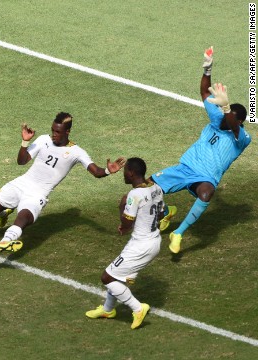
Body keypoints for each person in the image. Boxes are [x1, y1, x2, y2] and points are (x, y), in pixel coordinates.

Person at [0, 112, 125, 253]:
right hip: (21, 184)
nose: (54, 134)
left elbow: (96, 172)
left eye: (58, 132)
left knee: (22, 218)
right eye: (53, 130)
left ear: (67, 132)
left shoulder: (77, 152)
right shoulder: (44, 140)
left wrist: (107, 170)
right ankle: (4, 213)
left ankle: (6, 241)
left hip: (38, 194)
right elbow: (21, 161)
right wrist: (25, 141)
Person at [152, 47, 252, 254]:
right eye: (225, 113)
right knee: (149, 187)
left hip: (206, 177)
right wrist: (207, 70)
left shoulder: (242, 138)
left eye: (229, 115)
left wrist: (226, 109)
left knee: (207, 193)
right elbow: (205, 92)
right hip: (185, 167)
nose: (225, 118)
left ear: (240, 121)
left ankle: (178, 233)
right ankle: (165, 212)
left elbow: (233, 124)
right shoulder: (218, 120)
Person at [85, 157, 163, 329]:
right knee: (119, 276)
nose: (123, 175)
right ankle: (108, 310)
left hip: (141, 245)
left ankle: (137, 309)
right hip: (154, 240)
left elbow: (126, 223)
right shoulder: (157, 188)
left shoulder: (134, 195)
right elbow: (161, 214)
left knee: (107, 277)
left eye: (125, 171)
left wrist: (122, 206)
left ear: (131, 173)